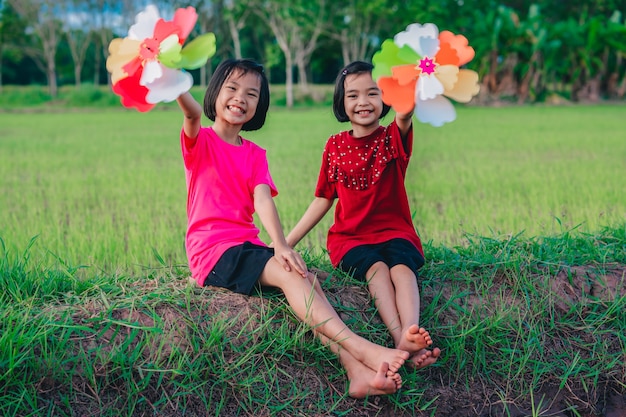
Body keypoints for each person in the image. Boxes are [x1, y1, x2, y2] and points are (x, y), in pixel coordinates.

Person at [175, 58, 410, 398]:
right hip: (212, 252)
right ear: (214, 93)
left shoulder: (254, 154)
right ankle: (363, 349)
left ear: (260, 105)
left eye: (252, 94)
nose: (240, 98)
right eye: (232, 88)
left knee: (305, 279)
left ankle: (355, 372)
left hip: (245, 246)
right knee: (289, 276)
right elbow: (192, 114)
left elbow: (262, 200)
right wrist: (172, 82)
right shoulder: (201, 142)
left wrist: (280, 245)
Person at [286, 61, 441, 369]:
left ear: (386, 98)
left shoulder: (392, 139)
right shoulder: (334, 145)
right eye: (353, 95)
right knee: (377, 270)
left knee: (401, 268)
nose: (363, 102)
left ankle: (410, 330)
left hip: (395, 231)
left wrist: (410, 83)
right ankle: (402, 339)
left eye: (373, 93)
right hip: (351, 239)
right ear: (342, 103)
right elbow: (322, 200)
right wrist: (285, 242)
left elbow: (405, 113)